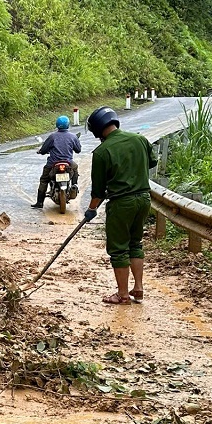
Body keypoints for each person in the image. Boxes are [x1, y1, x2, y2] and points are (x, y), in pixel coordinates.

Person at [84, 106, 157, 305]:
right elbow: (152, 161)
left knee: (118, 249)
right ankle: (139, 288)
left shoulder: (101, 152)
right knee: (135, 243)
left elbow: (98, 191)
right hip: (144, 199)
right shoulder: (140, 139)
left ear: (98, 129)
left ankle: (123, 294)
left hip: (121, 203)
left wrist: (91, 210)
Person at [31, 115, 82, 208]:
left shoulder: (52, 137)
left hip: (53, 164)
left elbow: (44, 149)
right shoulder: (73, 137)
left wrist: (41, 151)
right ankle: (74, 185)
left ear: (57, 125)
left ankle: (39, 202)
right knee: (75, 169)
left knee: (44, 180)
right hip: (68, 163)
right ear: (68, 125)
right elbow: (78, 150)